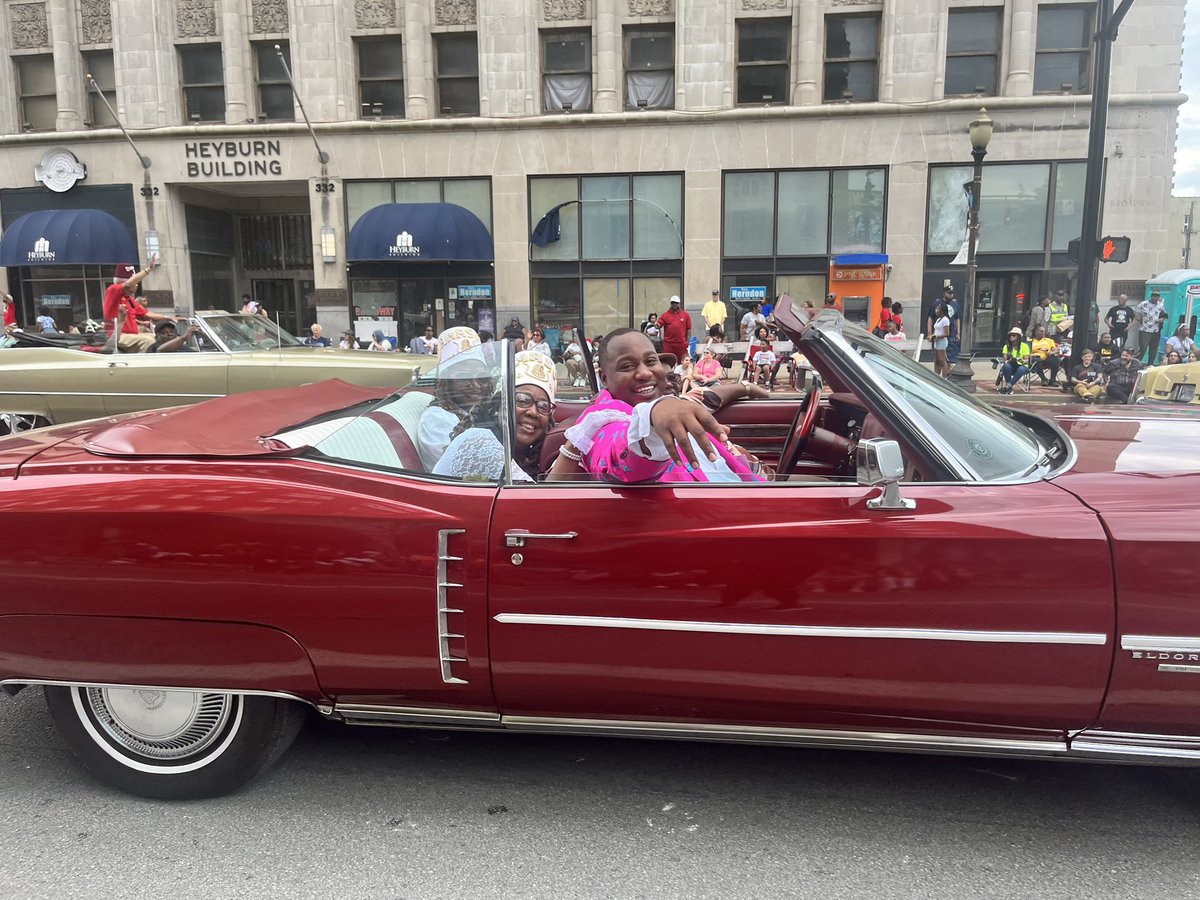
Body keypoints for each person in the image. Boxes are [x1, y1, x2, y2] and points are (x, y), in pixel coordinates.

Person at [555, 328, 759, 483]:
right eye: (627, 366)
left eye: (651, 361)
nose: (644, 373)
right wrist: (651, 420)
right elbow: (614, 457)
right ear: (605, 378)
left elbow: (707, 397)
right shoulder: (599, 420)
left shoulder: (677, 404)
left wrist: (746, 387)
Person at [417, 327, 498, 471]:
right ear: (446, 382)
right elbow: (460, 470)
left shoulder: (484, 412)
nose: (475, 385)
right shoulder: (436, 418)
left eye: (482, 377)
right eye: (463, 377)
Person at [103, 259, 171, 352]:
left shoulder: (129, 299)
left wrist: (168, 317)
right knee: (147, 341)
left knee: (161, 338)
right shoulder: (113, 290)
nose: (137, 285)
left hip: (132, 335)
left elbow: (146, 314)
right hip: (118, 335)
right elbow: (128, 284)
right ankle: (145, 365)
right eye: (136, 282)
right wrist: (148, 270)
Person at [1133, 292, 1167, 364]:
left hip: (1156, 330)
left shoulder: (1160, 304)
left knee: (1154, 348)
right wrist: (1139, 320)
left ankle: (1150, 363)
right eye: (1154, 296)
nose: (1156, 298)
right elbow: (1134, 311)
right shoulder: (1143, 304)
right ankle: (1137, 363)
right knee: (1143, 347)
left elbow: (1164, 314)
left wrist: (1162, 319)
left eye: (1157, 296)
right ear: (1151, 296)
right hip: (1145, 329)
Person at [997, 326, 1030, 394]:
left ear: (1018, 337)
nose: (1011, 337)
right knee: (1006, 366)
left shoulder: (1025, 346)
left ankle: (1008, 386)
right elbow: (1004, 360)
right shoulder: (1006, 346)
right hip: (1011, 366)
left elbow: (1026, 360)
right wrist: (1008, 361)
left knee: (1021, 368)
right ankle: (1009, 387)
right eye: (1010, 335)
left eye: (1014, 335)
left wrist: (1021, 360)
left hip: (1022, 365)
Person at [658, 295, 692, 363]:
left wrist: (687, 342)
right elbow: (659, 323)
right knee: (668, 362)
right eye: (673, 303)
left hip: (681, 344)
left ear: (679, 304)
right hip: (668, 344)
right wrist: (657, 325)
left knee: (683, 362)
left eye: (676, 303)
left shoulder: (685, 315)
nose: (674, 304)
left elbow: (688, 329)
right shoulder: (665, 315)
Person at [931, 302, 951, 377]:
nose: (936, 310)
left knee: (942, 361)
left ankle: (944, 378)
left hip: (942, 342)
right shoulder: (938, 319)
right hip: (936, 342)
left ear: (941, 310)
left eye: (937, 308)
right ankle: (936, 377)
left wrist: (937, 336)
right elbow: (935, 330)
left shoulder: (945, 320)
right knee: (936, 361)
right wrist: (932, 336)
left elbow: (946, 333)